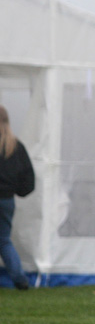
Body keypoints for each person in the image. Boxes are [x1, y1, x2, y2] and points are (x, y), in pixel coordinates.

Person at [0, 105, 34, 290]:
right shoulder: (15, 146)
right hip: (6, 200)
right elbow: (28, 177)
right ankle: (20, 279)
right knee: (4, 240)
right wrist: (18, 191)